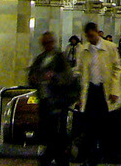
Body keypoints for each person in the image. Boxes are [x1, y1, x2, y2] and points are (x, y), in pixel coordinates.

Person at [75, 22, 121, 165]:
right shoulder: (83, 50)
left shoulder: (110, 47)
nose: (90, 38)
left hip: (106, 91)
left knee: (107, 126)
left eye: (92, 35)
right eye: (88, 36)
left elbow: (117, 68)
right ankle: (90, 157)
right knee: (89, 126)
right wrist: (79, 96)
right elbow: (79, 71)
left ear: (97, 32)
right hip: (90, 91)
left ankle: (108, 155)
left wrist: (115, 90)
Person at [28, 31, 75, 166]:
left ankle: (53, 158)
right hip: (44, 100)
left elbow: (68, 77)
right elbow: (32, 75)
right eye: (44, 43)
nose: (47, 45)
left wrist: (54, 77)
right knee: (47, 132)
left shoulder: (60, 58)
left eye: (49, 42)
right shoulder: (40, 59)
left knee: (57, 132)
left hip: (57, 102)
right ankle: (53, 157)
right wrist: (33, 78)